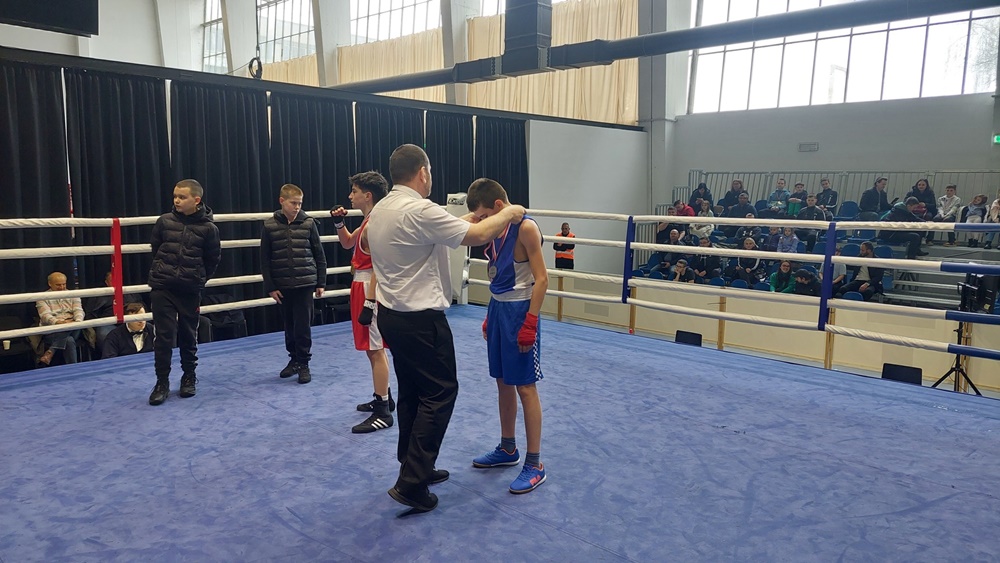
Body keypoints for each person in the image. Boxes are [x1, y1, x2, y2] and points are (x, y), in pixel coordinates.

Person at [365, 144, 526, 513]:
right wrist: (510, 212)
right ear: (423, 172)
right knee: (440, 393)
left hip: (392, 315)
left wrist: (472, 218)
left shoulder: (384, 208)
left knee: (413, 392)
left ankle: (413, 465)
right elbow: (478, 236)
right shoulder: (420, 210)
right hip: (421, 320)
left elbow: (444, 229)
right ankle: (412, 482)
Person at [466, 178, 549, 494]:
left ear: (499, 206)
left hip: (520, 311)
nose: (483, 223)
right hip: (498, 308)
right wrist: (491, 314)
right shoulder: (497, 228)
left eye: (485, 216)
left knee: (525, 387)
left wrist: (530, 322)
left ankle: (535, 463)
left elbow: (542, 279)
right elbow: (499, 274)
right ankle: (508, 447)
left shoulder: (525, 228)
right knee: (502, 382)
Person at [330, 171, 395, 434]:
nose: (350, 196)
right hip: (362, 286)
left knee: (375, 348)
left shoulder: (374, 225)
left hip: (370, 288)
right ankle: (384, 396)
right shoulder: (368, 221)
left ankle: (383, 411)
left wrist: (370, 302)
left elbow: (380, 265)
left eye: (354, 191)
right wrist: (339, 223)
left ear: (367, 195)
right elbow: (347, 243)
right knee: (372, 348)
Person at [147, 179, 221, 406]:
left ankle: (189, 376)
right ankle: (162, 382)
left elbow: (212, 259)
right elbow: (155, 248)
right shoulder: (164, 221)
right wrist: (164, 271)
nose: (177, 200)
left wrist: (198, 279)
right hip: (163, 286)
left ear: (196, 200)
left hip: (190, 289)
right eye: (175, 196)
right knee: (163, 336)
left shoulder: (209, 229)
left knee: (189, 334)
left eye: (182, 197)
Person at [260, 183, 326, 385]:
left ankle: (304, 362)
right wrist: (271, 286)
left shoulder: (309, 223)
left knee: (303, 326)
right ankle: (294, 359)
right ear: (282, 201)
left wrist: (321, 282)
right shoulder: (269, 226)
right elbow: (264, 259)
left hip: (305, 283)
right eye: (293, 203)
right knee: (288, 325)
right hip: (282, 284)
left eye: (300, 203)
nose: (297, 207)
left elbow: (319, 254)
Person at [85, 271, 144, 354]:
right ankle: (110, 357)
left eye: (118, 280)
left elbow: (141, 306)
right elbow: (90, 312)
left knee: (146, 329)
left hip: (128, 320)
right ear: (106, 282)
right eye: (112, 280)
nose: (116, 282)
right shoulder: (99, 295)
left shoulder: (130, 292)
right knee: (104, 334)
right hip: (108, 322)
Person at [35, 271, 84, 366]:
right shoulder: (42, 297)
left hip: (73, 327)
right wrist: (58, 323)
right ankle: (74, 369)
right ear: (50, 284)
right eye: (58, 285)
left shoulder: (73, 294)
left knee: (73, 329)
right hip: (53, 330)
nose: (62, 287)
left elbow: (79, 311)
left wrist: (77, 322)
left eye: (64, 284)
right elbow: (45, 316)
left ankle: (51, 352)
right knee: (69, 340)